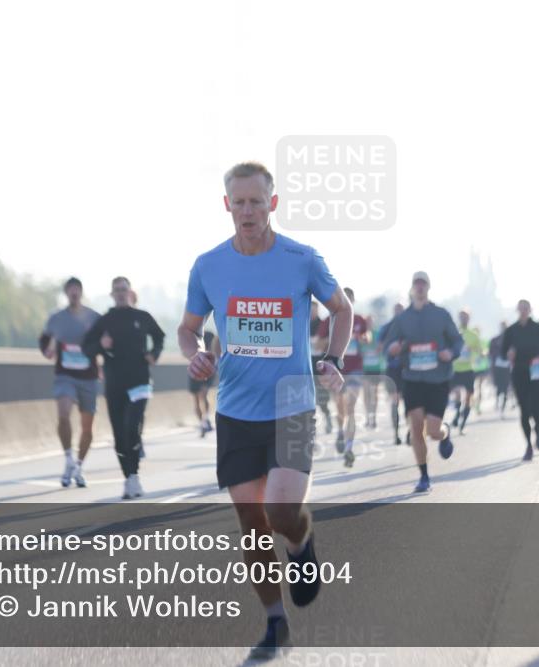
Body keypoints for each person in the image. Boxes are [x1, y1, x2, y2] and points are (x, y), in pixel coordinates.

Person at [178, 162, 351, 660]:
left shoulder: (301, 259)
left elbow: (342, 309)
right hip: (235, 410)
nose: (248, 211)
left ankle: (300, 544)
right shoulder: (208, 266)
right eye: (239, 202)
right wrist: (196, 354)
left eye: (257, 201)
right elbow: (188, 328)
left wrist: (333, 359)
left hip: (292, 405)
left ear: (273, 204)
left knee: (280, 511)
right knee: (251, 523)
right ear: (226, 205)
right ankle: (276, 622)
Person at [82, 278, 165, 499]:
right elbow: (86, 348)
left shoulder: (142, 317)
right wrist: (102, 346)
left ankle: (134, 474)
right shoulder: (105, 321)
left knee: (132, 426)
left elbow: (159, 336)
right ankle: (129, 478)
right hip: (115, 383)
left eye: (124, 290)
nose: (120, 293)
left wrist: (154, 354)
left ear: (130, 292)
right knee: (119, 434)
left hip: (140, 381)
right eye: (117, 290)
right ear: (112, 294)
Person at [381, 271, 461, 493]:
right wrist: (393, 349)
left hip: (438, 379)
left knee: (433, 431)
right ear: (411, 288)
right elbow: (388, 346)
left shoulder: (441, 314)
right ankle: (424, 476)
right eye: (416, 283)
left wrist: (450, 353)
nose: (419, 287)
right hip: (413, 379)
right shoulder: (403, 318)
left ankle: (445, 434)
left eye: (423, 283)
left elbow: (457, 341)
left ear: (428, 287)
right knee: (416, 428)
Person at [39, 277, 100, 488]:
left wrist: (101, 352)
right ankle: (68, 458)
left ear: (81, 292)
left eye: (77, 289)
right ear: (66, 293)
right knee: (63, 414)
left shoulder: (94, 317)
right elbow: (44, 338)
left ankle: (78, 467)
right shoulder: (56, 318)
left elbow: (104, 341)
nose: (74, 293)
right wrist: (47, 350)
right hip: (65, 375)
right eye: (70, 290)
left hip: (88, 377)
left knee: (87, 428)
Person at [318, 287, 367, 468]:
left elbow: (366, 335)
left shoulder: (359, 319)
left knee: (351, 407)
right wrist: (334, 340)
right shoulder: (327, 320)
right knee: (340, 408)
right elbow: (318, 342)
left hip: (355, 368)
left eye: (350, 299)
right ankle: (340, 431)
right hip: (336, 370)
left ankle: (349, 448)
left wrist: (362, 338)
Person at [501, 300, 539, 461]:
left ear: (530, 310)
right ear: (517, 310)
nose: (523, 311)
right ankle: (528, 446)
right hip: (519, 371)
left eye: (526, 308)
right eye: (521, 308)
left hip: (537, 371)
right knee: (524, 410)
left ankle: (537, 430)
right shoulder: (511, 330)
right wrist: (508, 353)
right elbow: (503, 351)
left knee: (535, 405)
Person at [449, 309, 484, 435]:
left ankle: (462, 424)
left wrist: (472, 350)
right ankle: (458, 414)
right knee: (457, 394)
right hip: (455, 369)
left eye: (466, 317)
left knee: (469, 397)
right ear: (459, 317)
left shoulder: (473, 335)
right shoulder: (454, 333)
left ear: (469, 318)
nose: (464, 319)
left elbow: (480, 352)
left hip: (468, 369)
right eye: (462, 316)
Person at [381, 302, 406, 445]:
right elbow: (380, 347)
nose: (398, 312)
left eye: (401, 310)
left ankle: (410, 431)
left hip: (407, 369)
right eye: (396, 310)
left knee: (409, 403)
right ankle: (396, 434)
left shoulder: (409, 326)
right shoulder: (387, 327)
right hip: (392, 370)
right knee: (394, 401)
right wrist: (389, 350)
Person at [189, 328, 222, 437]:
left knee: (201, 396)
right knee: (200, 397)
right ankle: (203, 422)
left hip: (204, 369)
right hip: (199, 369)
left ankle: (205, 420)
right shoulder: (193, 335)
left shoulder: (204, 335)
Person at [309, 300, 334, 434]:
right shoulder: (303, 323)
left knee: (322, 398)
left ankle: (327, 417)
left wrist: (321, 341)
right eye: (310, 309)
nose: (312, 312)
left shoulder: (323, 324)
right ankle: (311, 426)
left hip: (320, 366)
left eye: (314, 309)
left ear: (317, 310)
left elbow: (329, 340)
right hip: (306, 367)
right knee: (307, 398)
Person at [360, 314, 386, 431]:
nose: (368, 324)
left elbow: (383, 348)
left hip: (375, 368)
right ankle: (367, 417)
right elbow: (358, 350)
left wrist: (379, 348)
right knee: (366, 394)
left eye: (370, 322)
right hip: (365, 368)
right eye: (367, 322)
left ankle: (374, 417)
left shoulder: (378, 334)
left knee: (374, 394)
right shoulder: (361, 335)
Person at [489, 321, 512, 418]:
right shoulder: (495, 339)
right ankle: (498, 402)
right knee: (498, 387)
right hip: (497, 368)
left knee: (506, 387)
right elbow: (491, 353)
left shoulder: (512, 340)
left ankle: (503, 407)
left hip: (507, 368)